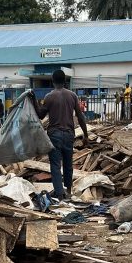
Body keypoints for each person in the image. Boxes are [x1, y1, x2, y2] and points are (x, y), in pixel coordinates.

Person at [37, 69, 89, 202]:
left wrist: (34, 104)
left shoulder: (49, 97)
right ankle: (69, 191)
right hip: (69, 134)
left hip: (54, 134)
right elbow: (81, 116)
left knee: (55, 165)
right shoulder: (72, 96)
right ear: (65, 81)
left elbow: (40, 115)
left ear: (53, 81)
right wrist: (85, 134)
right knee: (68, 163)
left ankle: (60, 195)